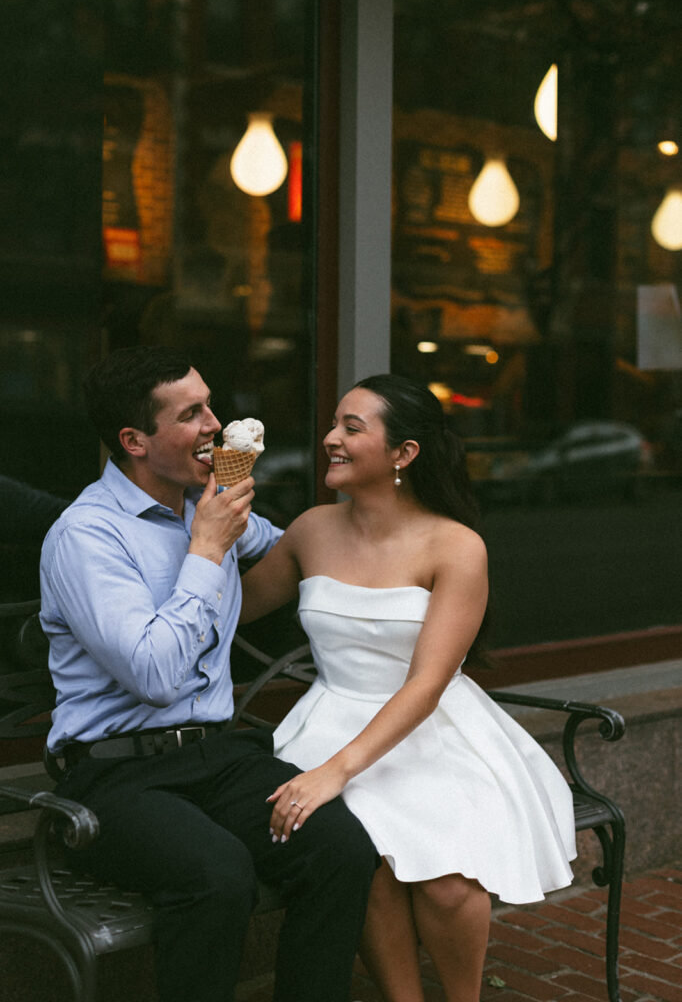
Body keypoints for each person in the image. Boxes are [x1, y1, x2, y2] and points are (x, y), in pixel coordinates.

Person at [39, 346, 376, 1002]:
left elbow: (299, 555)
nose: (215, 425)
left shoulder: (209, 503)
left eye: (210, 405)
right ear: (135, 440)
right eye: (191, 413)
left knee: (339, 846)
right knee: (218, 875)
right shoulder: (86, 538)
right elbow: (155, 676)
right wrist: (207, 546)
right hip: (114, 777)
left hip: (219, 757)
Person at [240, 373, 577, 1002]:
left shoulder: (456, 546)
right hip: (327, 720)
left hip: (429, 728)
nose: (329, 439)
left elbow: (428, 683)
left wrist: (338, 772)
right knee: (362, 866)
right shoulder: (312, 529)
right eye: (334, 424)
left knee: (448, 882)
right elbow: (226, 611)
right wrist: (201, 529)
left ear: (405, 453)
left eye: (351, 428)